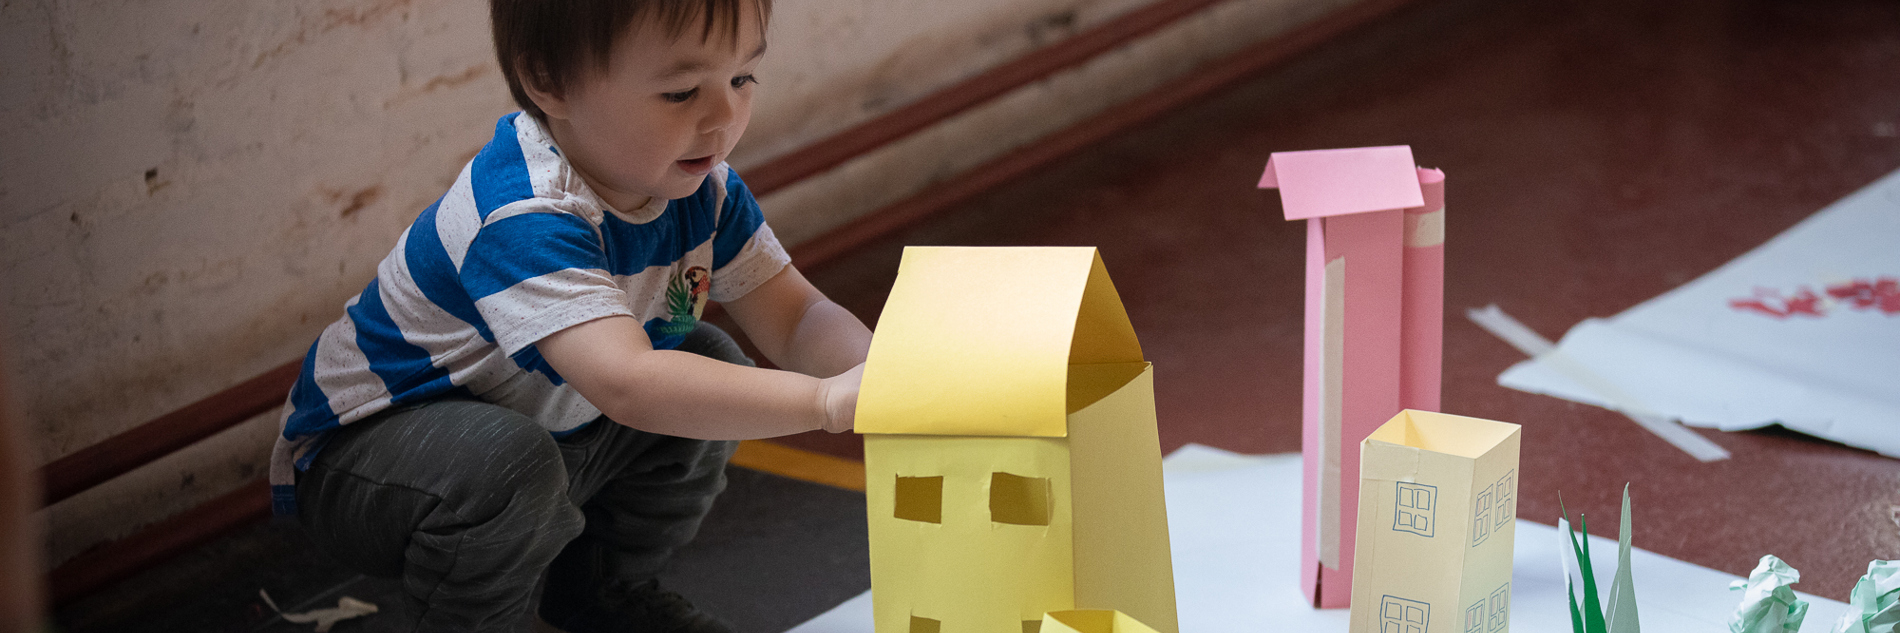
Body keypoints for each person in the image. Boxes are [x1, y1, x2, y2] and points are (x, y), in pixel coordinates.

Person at [267, 0, 872, 630]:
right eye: (681, 92)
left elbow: (797, 317)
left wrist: (883, 372)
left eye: (742, 79)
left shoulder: (704, 191)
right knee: (514, 463)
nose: (724, 117)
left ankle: (602, 594)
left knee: (709, 363)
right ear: (550, 84)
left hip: (536, 430)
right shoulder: (524, 213)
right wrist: (825, 402)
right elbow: (628, 384)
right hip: (359, 461)